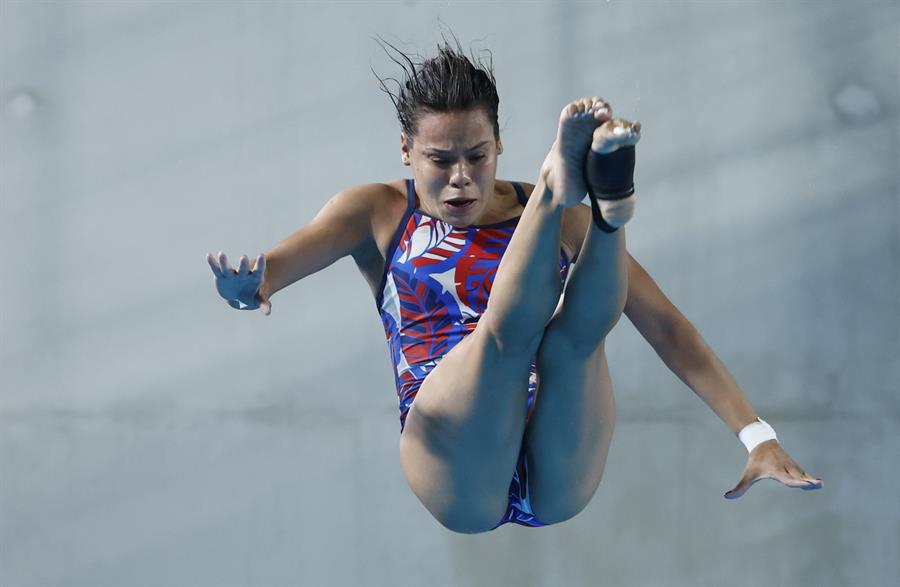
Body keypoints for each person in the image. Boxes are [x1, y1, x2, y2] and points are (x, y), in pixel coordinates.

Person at [206, 39, 822, 534]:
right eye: (439, 160)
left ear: (499, 141)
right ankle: (566, 183)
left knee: (576, 342)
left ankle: (610, 215)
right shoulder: (374, 212)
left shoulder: (547, 221)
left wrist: (757, 436)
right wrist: (247, 287)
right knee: (505, 337)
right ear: (404, 150)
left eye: (477, 155)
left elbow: (664, 325)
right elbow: (269, 274)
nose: (461, 180)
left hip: (558, 461)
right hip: (453, 455)